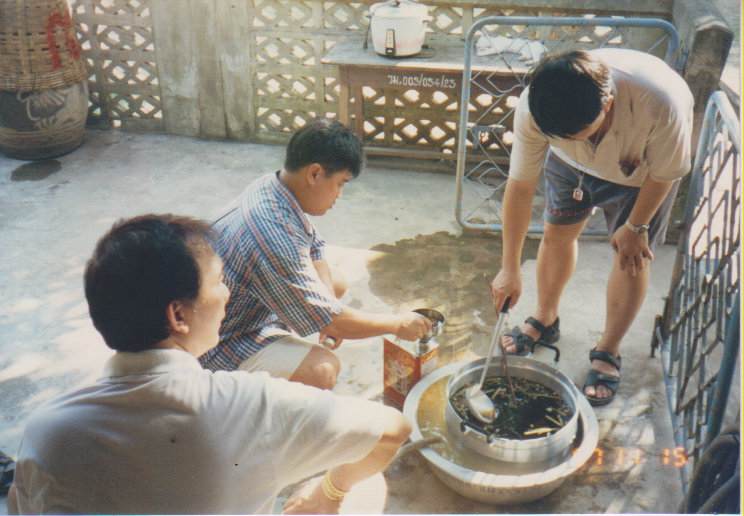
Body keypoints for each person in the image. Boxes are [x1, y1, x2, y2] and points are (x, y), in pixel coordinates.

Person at [7, 214, 412, 515]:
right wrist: (329, 492)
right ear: (178, 315)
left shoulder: (46, 431)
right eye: (219, 281)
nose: (227, 293)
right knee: (365, 485)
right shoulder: (253, 405)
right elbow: (393, 431)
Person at [489, 49, 693, 406]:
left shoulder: (661, 104)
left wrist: (637, 226)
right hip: (569, 168)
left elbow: (665, 174)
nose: (569, 140)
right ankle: (545, 318)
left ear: (608, 104)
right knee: (555, 235)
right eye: (559, 136)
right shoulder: (535, 106)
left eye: (577, 134)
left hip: (641, 174)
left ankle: (608, 350)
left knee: (631, 259)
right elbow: (520, 187)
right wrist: (509, 267)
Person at [200, 117, 431, 388]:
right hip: (217, 341)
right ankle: (242, 397)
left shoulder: (273, 186)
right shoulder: (271, 233)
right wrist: (397, 324)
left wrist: (329, 307)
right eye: (340, 183)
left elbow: (315, 245)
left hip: (242, 308)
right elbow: (335, 323)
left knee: (336, 283)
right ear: (314, 174)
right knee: (324, 369)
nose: (339, 195)